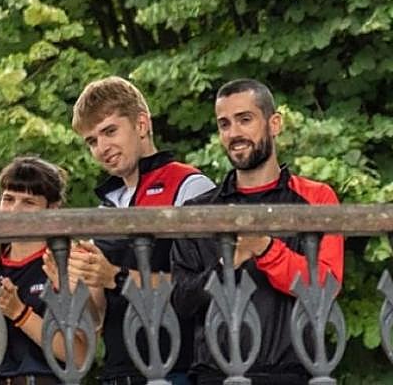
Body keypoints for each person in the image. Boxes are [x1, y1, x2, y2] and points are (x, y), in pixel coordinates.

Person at [171, 79, 343, 385]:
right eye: (224, 124)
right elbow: (182, 301)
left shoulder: (316, 197)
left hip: (293, 373)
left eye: (245, 119)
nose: (234, 133)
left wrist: (265, 249)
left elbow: (326, 287)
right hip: (214, 375)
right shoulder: (195, 211)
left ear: (274, 124)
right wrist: (227, 265)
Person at [65, 76, 214, 385]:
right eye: (91, 141)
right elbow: (95, 319)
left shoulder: (190, 185)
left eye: (109, 131)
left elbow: (206, 287)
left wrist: (114, 277)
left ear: (142, 124)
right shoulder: (105, 207)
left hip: (179, 368)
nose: (101, 148)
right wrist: (74, 281)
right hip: (118, 372)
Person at [0, 156, 87, 384]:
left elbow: (78, 355)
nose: (14, 210)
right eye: (8, 199)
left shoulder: (67, 264)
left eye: (28, 202)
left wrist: (20, 313)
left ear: (53, 208)